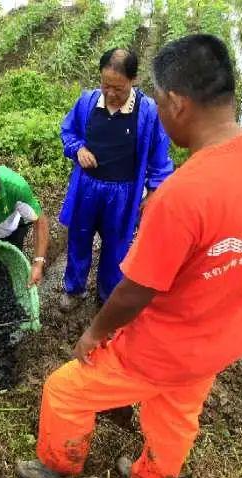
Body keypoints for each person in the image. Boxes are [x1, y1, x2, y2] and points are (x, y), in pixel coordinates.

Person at [16, 34, 242, 478]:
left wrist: (94, 333)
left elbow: (136, 290)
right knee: (177, 413)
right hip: (219, 340)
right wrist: (239, 251)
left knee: (65, 390)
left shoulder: (181, 194)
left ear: (176, 102)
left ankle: (60, 463)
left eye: (157, 97)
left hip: (162, 347)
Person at [58, 48, 173, 312]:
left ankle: (107, 295)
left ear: (133, 80)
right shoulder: (87, 102)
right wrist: (78, 149)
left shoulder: (148, 112)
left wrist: (154, 192)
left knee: (116, 245)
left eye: (118, 88)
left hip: (123, 192)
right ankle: (74, 289)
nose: (110, 93)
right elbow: (68, 132)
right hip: (87, 186)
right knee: (79, 238)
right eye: (105, 85)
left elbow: (159, 158)